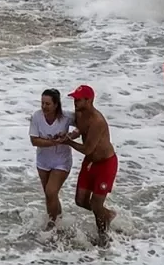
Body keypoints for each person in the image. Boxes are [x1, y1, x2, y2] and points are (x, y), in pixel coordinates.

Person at [57, 85, 117, 246]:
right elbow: (80, 129)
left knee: (96, 203)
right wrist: (70, 135)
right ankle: (107, 214)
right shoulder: (79, 114)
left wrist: (68, 142)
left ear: (89, 100)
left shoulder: (97, 121)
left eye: (78, 100)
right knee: (80, 200)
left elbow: (87, 148)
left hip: (105, 163)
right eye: (74, 99)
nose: (75, 102)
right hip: (91, 162)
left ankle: (103, 238)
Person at [29, 89, 74, 229]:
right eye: (42, 103)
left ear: (56, 104)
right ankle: (58, 222)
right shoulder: (36, 116)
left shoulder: (67, 117)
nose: (44, 106)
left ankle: (52, 224)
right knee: (49, 196)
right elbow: (34, 141)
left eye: (47, 104)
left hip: (62, 160)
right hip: (43, 161)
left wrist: (70, 136)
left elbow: (83, 127)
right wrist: (54, 142)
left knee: (51, 191)